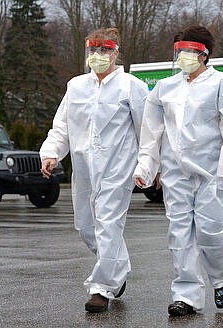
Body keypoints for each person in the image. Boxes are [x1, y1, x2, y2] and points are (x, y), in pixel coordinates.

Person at [133, 25, 223, 316]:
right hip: (176, 175)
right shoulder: (165, 88)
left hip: (212, 175)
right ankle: (186, 296)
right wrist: (146, 167)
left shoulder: (222, 84)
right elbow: (151, 132)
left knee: (211, 232)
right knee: (180, 235)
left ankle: (221, 279)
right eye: (179, 51)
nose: (183, 56)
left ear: (205, 53)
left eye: (190, 51)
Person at [39, 27, 148, 313]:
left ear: (115, 52)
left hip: (118, 168)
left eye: (105, 50)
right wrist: (51, 153)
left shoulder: (131, 87)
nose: (98, 56)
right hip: (85, 169)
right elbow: (62, 125)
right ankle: (117, 268)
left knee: (109, 225)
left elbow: (146, 130)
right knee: (86, 227)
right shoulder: (76, 86)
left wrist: (148, 165)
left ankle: (101, 289)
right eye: (93, 50)